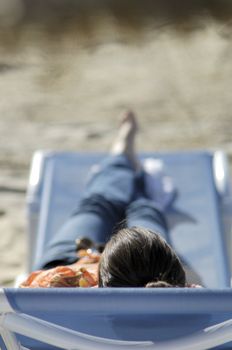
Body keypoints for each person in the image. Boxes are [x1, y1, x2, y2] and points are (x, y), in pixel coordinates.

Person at [21, 111, 198, 289]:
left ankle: (123, 159)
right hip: (148, 275)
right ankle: (136, 180)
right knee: (141, 211)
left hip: (73, 260)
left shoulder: (48, 290)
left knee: (99, 203)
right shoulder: (198, 305)